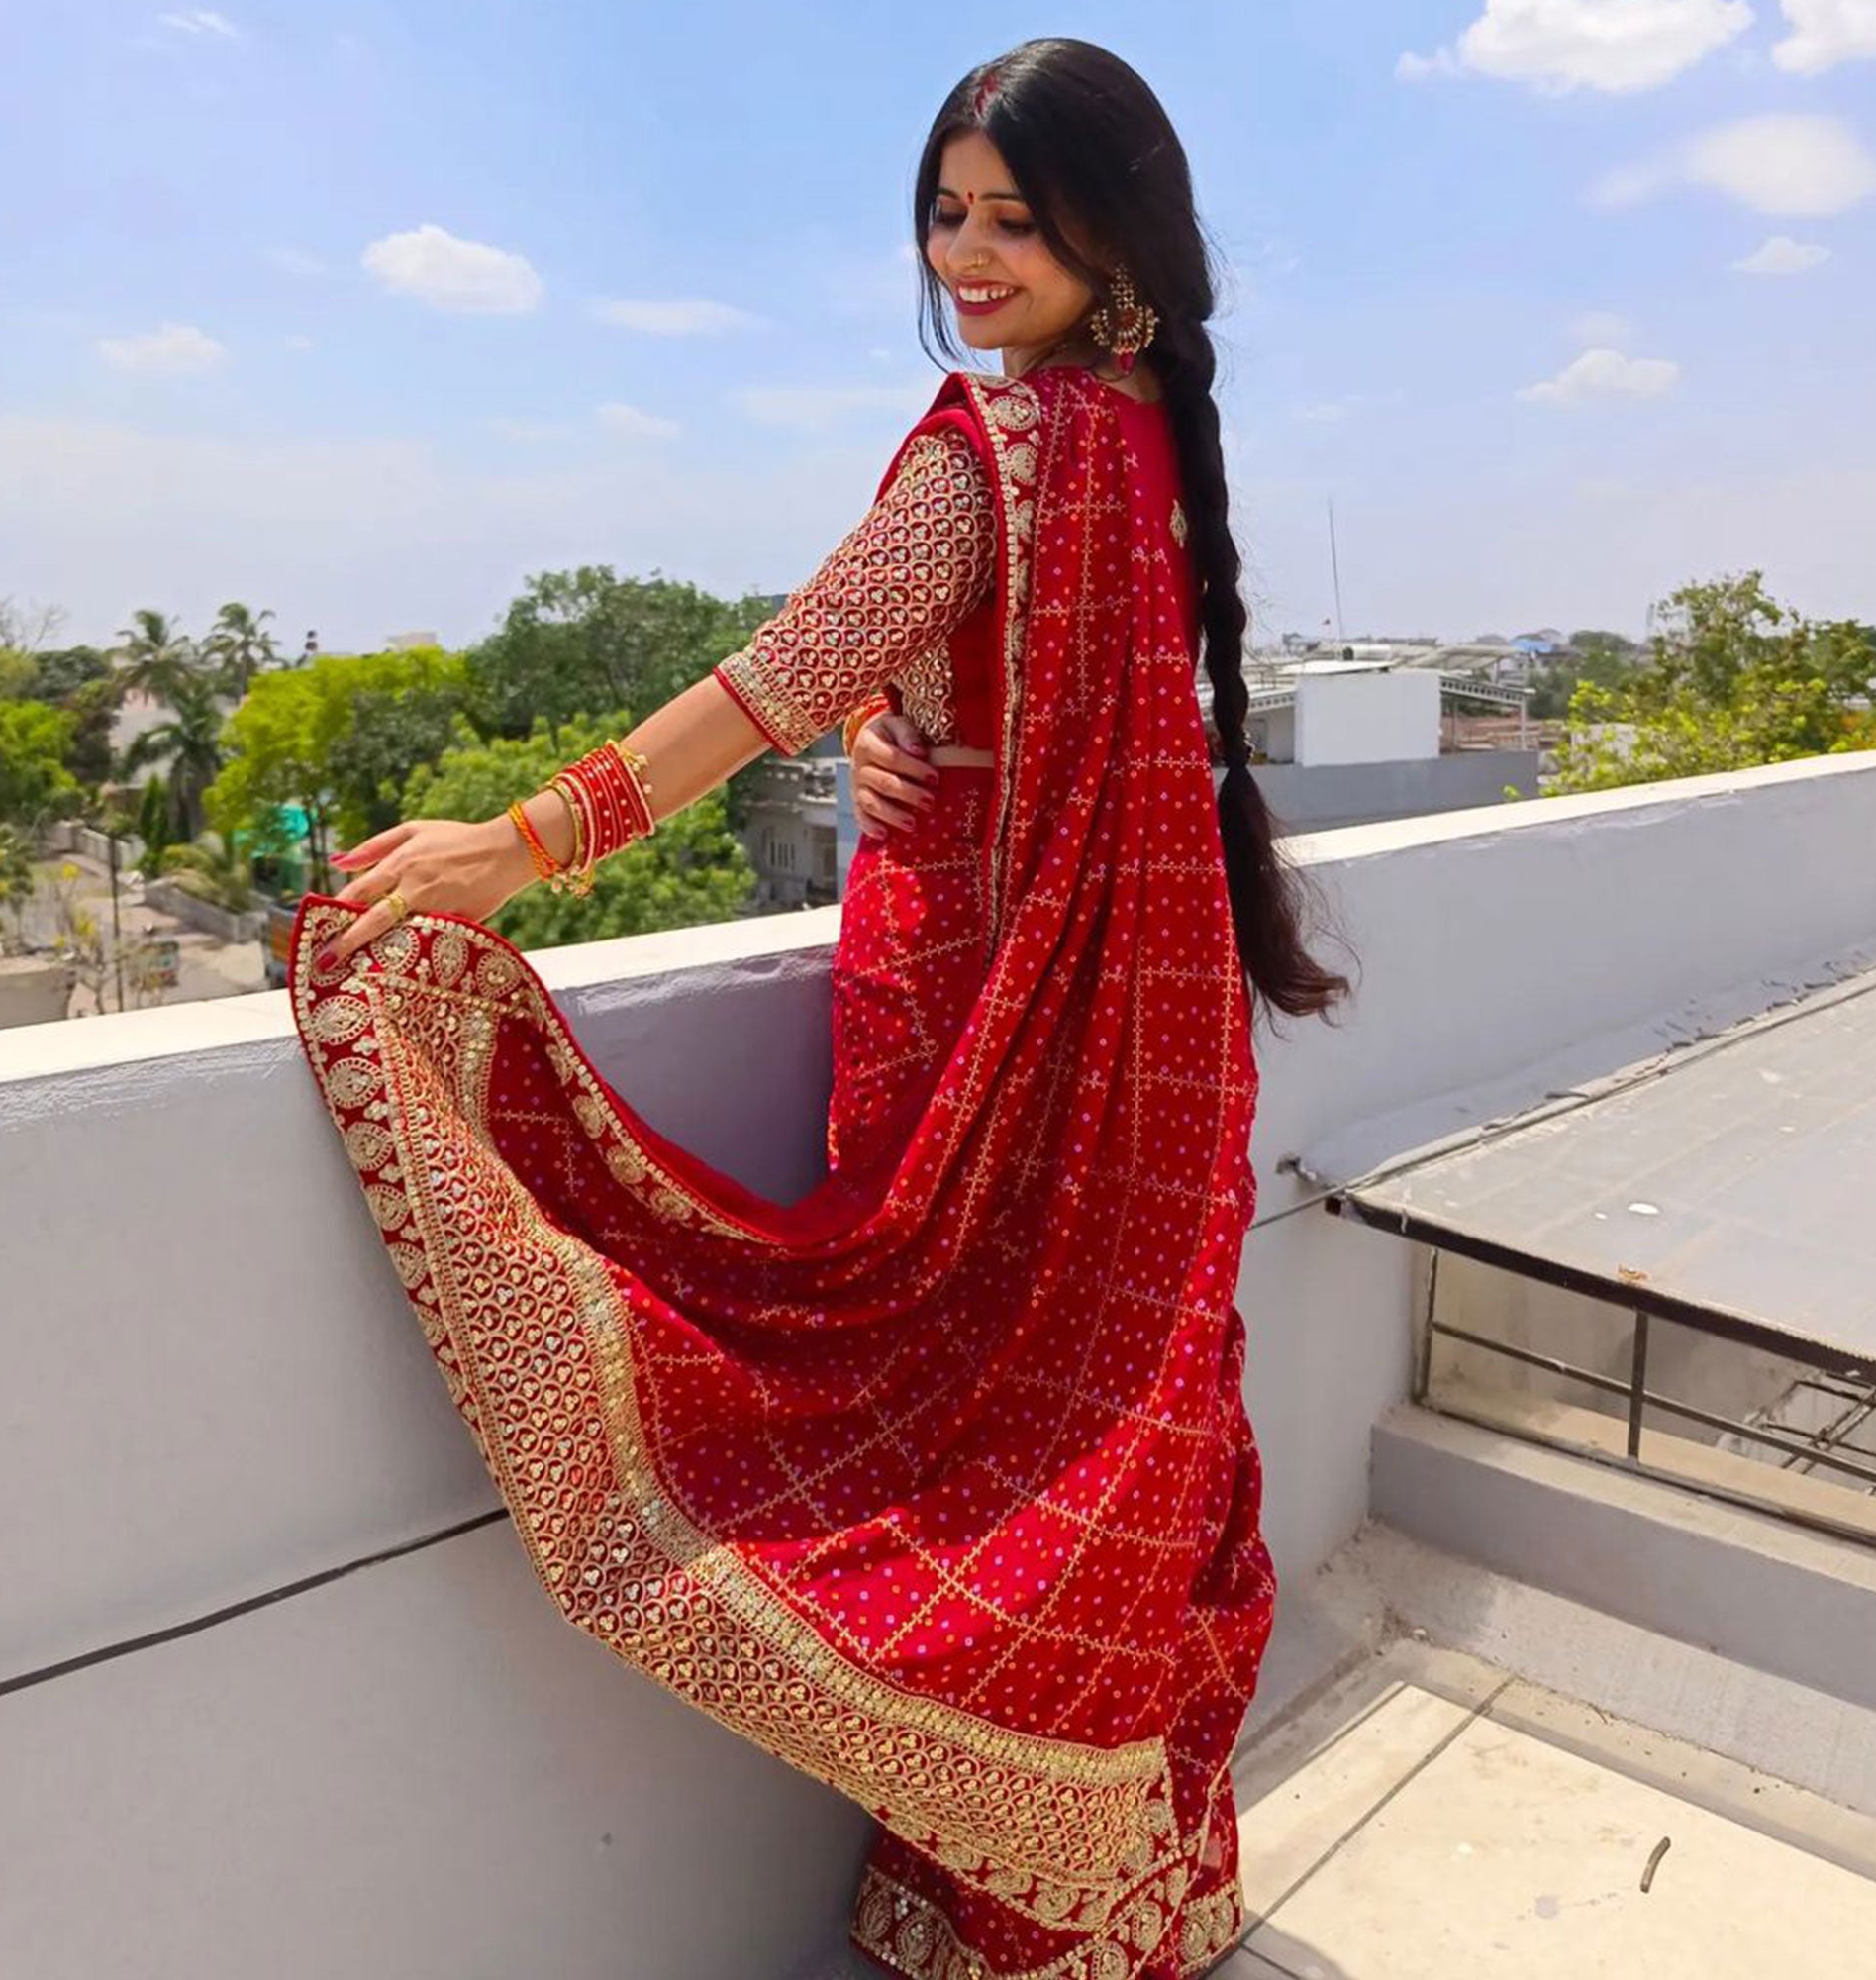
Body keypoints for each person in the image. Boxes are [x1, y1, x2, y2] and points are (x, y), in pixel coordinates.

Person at [290, 38, 1348, 1980]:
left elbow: (792, 665)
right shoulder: (1133, 443)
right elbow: (929, 686)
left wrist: (522, 839)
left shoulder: (1000, 451)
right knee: (1091, 1458)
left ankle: (989, 1906)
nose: (963, 251)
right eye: (945, 212)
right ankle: (1092, 1904)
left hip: (973, 1032)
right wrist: (894, 725)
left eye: (1011, 218)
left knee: (948, 1444)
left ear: (1113, 233)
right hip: (1102, 1074)